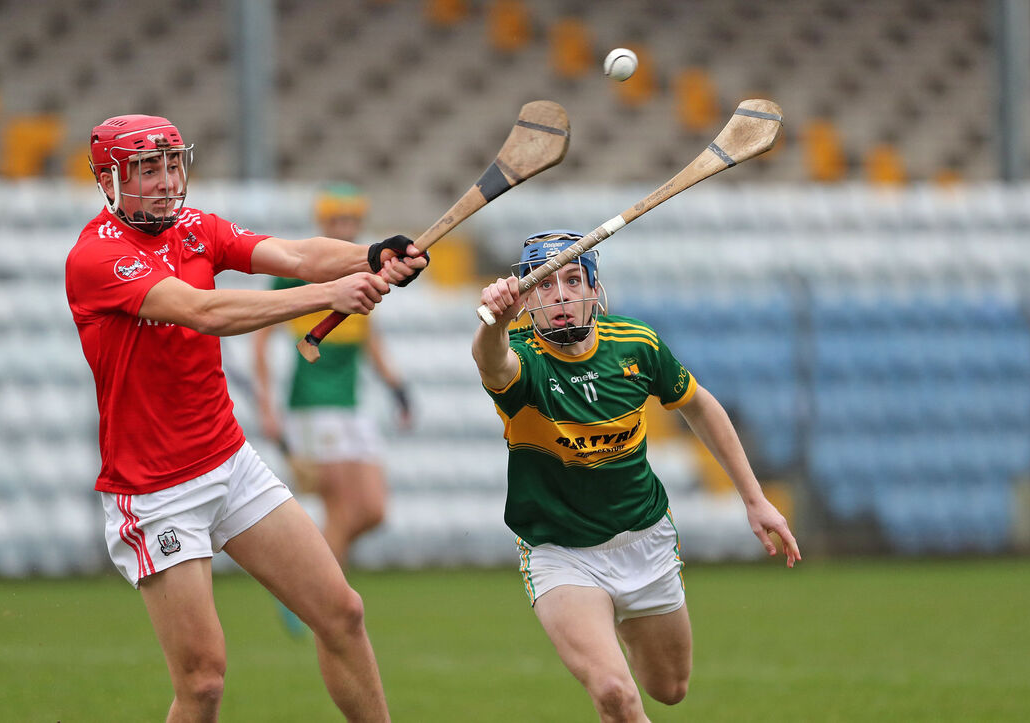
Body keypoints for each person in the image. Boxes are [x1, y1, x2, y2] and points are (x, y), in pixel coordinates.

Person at [64, 114, 426, 722]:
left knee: (342, 614)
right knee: (203, 682)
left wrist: (368, 255)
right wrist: (328, 294)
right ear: (108, 181)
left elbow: (294, 253)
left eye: (171, 164)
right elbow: (202, 311)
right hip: (156, 492)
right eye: (147, 169)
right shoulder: (97, 258)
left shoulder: (195, 228)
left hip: (230, 464)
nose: (166, 180)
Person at [472, 230, 800, 722]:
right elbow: (491, 361)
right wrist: (494, 323)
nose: (559, 295)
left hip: (644, 540)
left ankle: (616, 626)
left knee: (670, 688)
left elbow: (700, 406)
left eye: (572, 280)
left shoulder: (635, 344)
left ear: (594, 288)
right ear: (526, 298)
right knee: (615, 694)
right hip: (560, 551)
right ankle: (602, 645)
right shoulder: (523, 358)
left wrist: (754, 500)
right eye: (544, 284)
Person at [252, 183, 411, 572]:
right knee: (339, 509)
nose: (345, 228)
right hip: (313, 405)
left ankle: (304, 577)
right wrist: (266, 407)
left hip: (352, 405)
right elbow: (260, 342)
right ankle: (325, 594)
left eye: (351, 220)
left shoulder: (365, 272)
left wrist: (397, 388)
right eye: (337, 220)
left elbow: (368, 338)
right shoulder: (298, 273)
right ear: (323, 222)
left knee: (372, 510)